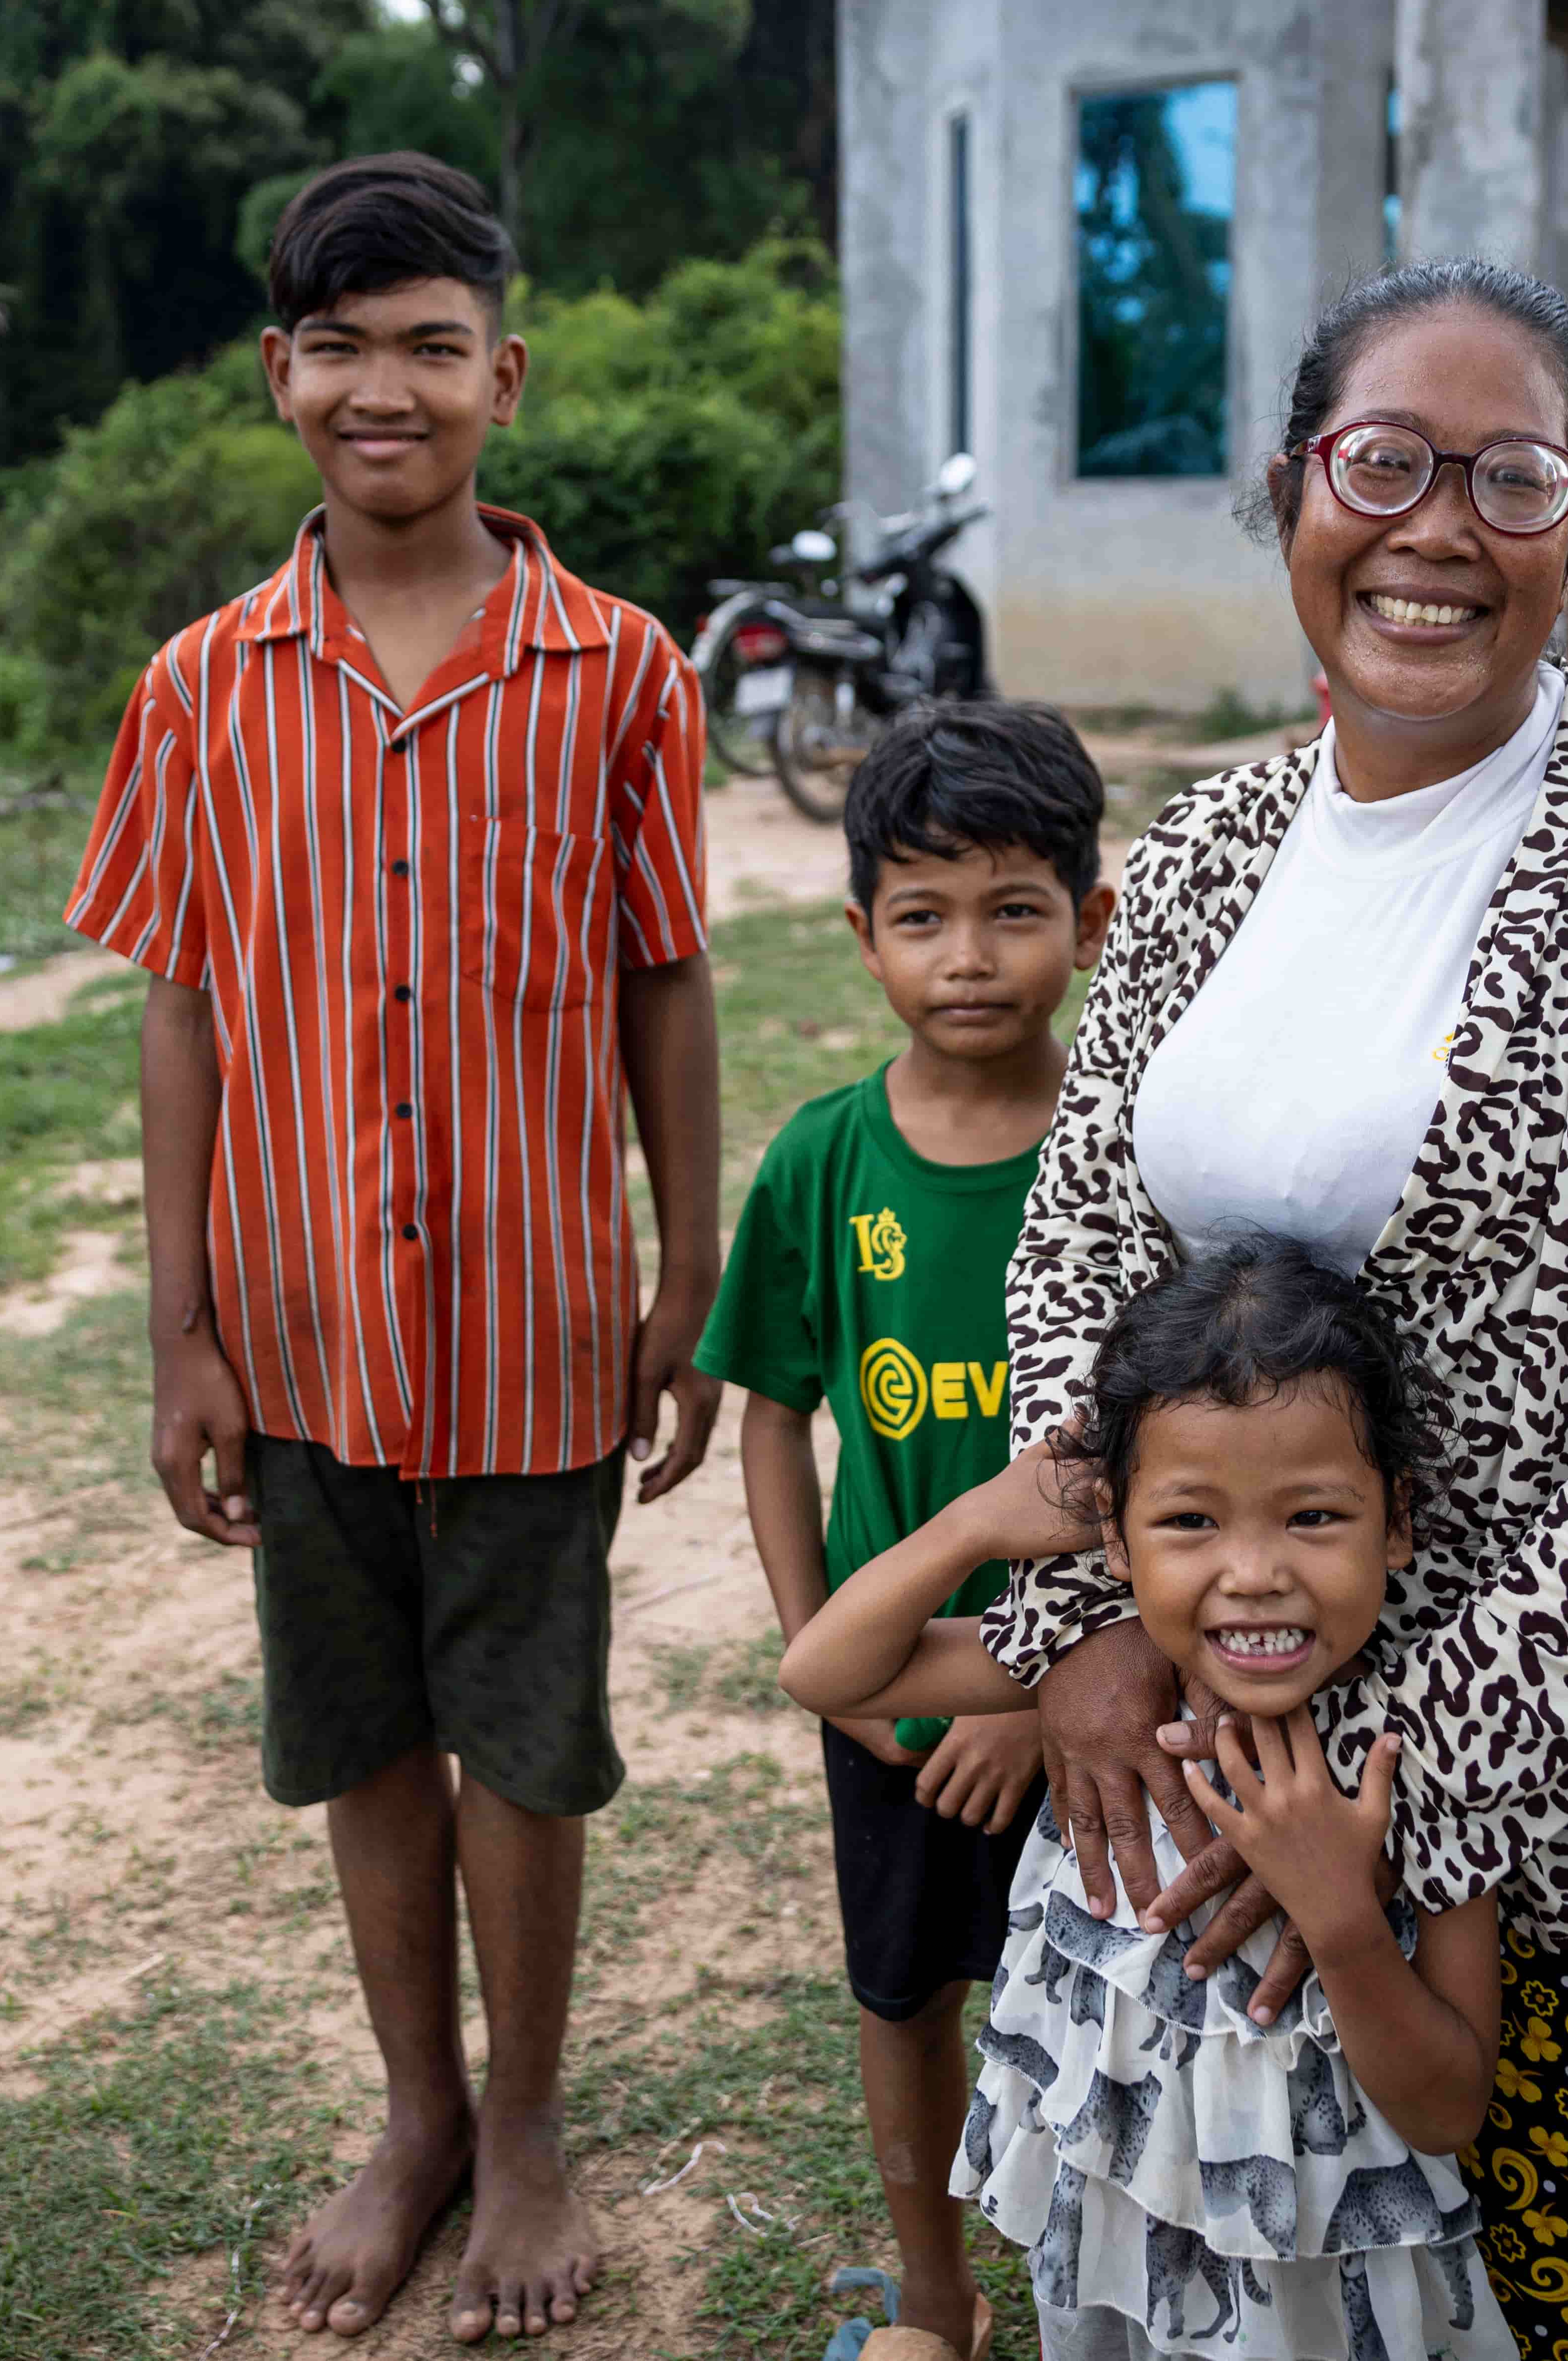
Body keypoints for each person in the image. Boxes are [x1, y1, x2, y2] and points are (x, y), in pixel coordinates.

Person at [987, 260, 1568, 2359]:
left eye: (1508, 477)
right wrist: (1086, 1620)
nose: (1433, 531)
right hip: (1219, 1783)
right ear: (1295, 486)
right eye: (1381, 463)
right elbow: (1076, 1248)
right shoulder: (1203, 845)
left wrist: (1401, 1785)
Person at [61, 151, 724, 2347]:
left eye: (429, 342)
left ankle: (524, 2126)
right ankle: (416, 2113)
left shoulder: (619, 675)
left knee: (526, 1747)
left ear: (501, 376)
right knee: (360, 1740)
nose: (383, 384)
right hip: (307, 1330)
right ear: (277, 376)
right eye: (337, 344)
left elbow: (661, 978)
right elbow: (177, 1007)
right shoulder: (199, 687)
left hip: (536, 1334)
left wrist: (683, 1267)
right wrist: (180, 1336)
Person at [785, 1232, 1516, 2361]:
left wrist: (1338, 1915)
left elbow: (1444, 2107)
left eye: (1313, 1515)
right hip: (1118, 2265)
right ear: (1114, 1536)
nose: (1254, 1570)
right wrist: (980, 1520)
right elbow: (825, 1671)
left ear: (1400, 1517)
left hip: (1321, 2305)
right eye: (1189, 1520)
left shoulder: (1416, 1759)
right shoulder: (1112, 1707)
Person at [698, 699, 1118, 2361]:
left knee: (1085, 2005)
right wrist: (838, 1679)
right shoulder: (822, 1159)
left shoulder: (1125, 1155)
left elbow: (1170, 1464)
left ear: (1093, 922)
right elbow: (775, 1422)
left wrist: (1033, 1695)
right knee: (902, 1992)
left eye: (1015, 909)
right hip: (885, 1698)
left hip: (1081, 1707)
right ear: (862, 931)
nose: (969, 957)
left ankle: (1087, 2292)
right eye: (924, 914)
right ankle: (934, 2299)